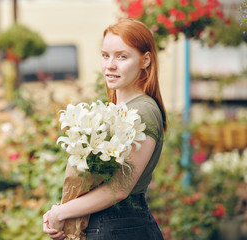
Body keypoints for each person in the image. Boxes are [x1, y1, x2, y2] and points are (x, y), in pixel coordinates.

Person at [43, 18, 167, 240]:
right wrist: (62, 214)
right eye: (105, 55)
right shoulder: (118, 109)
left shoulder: (143, 110)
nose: (110, 65)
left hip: (123, 227)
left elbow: (119, 188)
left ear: (145, 60)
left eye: (122, 56)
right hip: (108, 227)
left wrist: (61, 212)